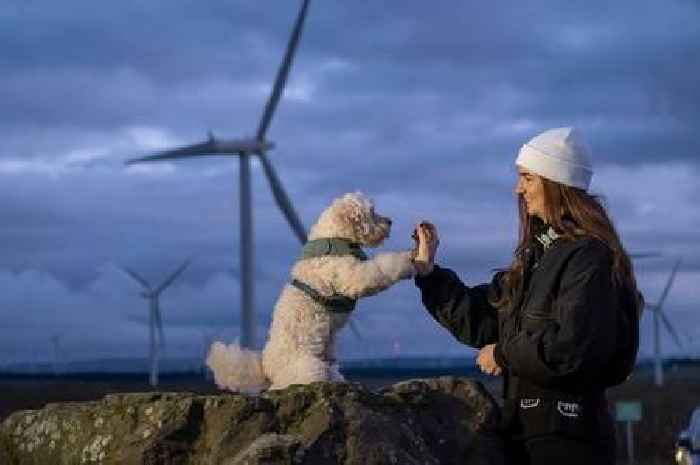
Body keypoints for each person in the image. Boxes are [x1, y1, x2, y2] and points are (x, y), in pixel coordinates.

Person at [411, 127, 642, 464]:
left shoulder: (589, 257)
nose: (519, 188)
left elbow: (572, 347)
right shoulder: (539, 258)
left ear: (555, 182)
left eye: (527, 178)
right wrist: (429, 274)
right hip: (526, 432)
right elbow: (482, 319)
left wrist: (504, 355)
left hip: (568, 440)